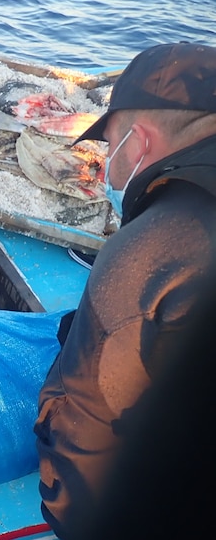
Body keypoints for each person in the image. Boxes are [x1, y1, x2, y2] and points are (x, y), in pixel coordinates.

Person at [33, 41, 216, 540]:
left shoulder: (149, 252)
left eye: (109, 147)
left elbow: (80, 471)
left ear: (138, 143)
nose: (108, 166)